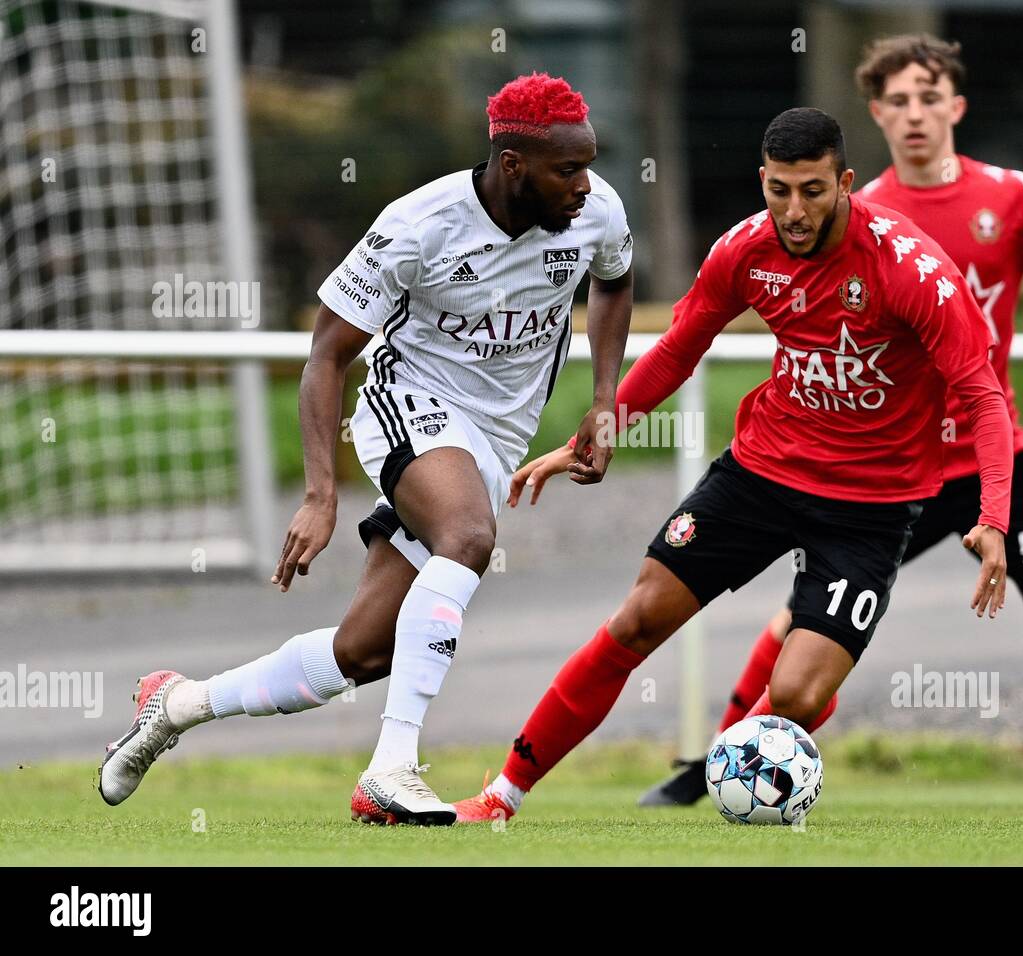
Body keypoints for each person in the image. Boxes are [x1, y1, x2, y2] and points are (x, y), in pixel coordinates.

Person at [96, 73, 634, 826]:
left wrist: (606, 396)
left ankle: (178, 705)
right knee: (469, 536)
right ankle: (392, 769)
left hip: (496, 436)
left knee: (364, 652)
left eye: (588, 164)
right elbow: (325, 356)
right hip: (409, 403)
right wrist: (320, 494)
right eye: (567, 169)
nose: (585, 185)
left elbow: (613, 281)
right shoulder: (419, 226)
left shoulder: (596, 210)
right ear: (513, 165)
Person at [451, 106, 1013, 824]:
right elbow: (681, 347)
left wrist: (992, 517)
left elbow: (982, 397)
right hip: (762, 475)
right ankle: (501, 797)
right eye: (780, 190)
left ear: (845, 182)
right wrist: (598, 429)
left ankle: (759, 732)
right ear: (763, 181)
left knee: (800, 696)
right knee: (636, 621)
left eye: (813, 190)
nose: (795, 210)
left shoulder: (912, 272)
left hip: (872, 506)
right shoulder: (746, 250)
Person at [641, 34, 1023, 810]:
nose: (916, 114)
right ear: (876, 115)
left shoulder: (1015, 196)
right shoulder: (855, 215)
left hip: (994, 454)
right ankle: (718, 763)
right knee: (799, 619)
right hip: (897, 467)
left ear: (957, 106)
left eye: (930, 97)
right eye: (898, 101)